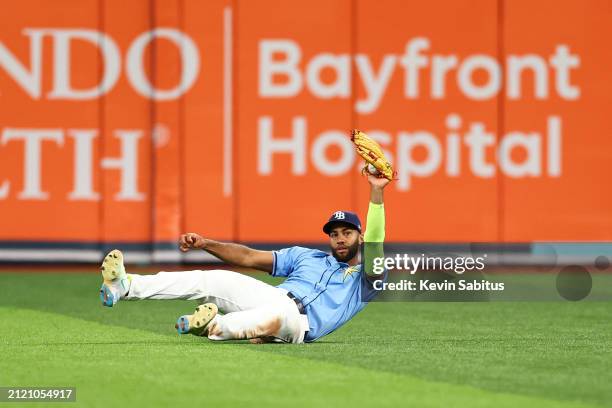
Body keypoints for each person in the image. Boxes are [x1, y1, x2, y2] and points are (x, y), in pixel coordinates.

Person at [99, 174, 389, 343]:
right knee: (212, 279)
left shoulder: (368, 279)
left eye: (347, 233)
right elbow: (249, 257)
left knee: (271, 318)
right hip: (273, 296)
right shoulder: (306, 256)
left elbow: (377, 243)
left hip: (300, 322)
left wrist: (376, 192)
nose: (340, 238)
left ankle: (214, 326)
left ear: (360, 238)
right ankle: (124, 286)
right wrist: (206, 243)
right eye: (334, 233)